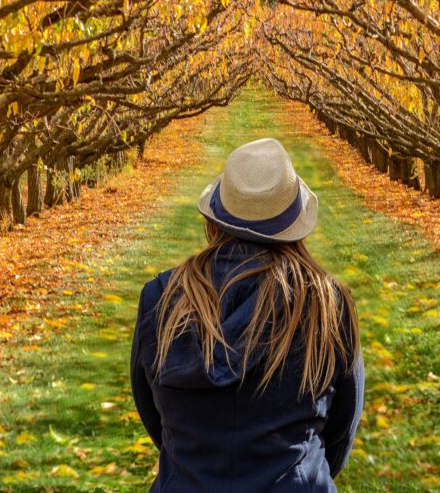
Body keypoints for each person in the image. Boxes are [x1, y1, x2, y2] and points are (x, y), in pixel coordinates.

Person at [130, 137, 364, 491]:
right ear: (293, 226)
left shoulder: (162, 299)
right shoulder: (327, 304)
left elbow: (154, 415)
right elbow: (340, 434)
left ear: (216, 220)